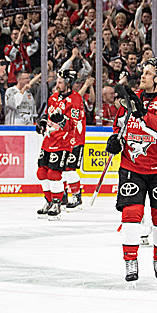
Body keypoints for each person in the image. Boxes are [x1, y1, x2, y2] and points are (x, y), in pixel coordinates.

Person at [105, 58, 157, 281]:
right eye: (143, 72)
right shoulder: (132, 98)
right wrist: (115, 140)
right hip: (132, 167)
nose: (143, 76)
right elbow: (120, 125)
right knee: (131, 215)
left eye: (148, 73)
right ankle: (130, 263)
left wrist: (142, 114)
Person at [35, 69, 79, 219]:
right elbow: (48, 114)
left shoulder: (75, 100)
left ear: (68, 84)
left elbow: (74, 124)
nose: (57, 84)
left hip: (63, 142)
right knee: (41, 172)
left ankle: (56, 203)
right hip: (48, 139)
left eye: (60, 82)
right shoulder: (53, 97)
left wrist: (62, 120)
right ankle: (48, 201)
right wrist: (42, 122)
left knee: (54, 173)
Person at [62, 73, 87, 210]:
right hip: (62, 140)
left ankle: (76, 195)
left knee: (70, 168)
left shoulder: (75, 98)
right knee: (60, 168)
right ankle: (63, 195)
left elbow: (73, 120)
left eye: (61, 82)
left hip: (75, 140)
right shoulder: (59, 98)